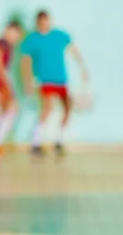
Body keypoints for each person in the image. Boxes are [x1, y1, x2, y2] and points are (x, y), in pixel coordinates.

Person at [20, 10, 88, 157]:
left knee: (67, 107)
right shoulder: (32, 39)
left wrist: (83, 68)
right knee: (47, 108)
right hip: (44, 79)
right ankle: (35, 142)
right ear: (37, 23)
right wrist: (27, 81)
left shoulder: (59, 36)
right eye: (41, 22)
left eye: (46, 21)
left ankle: (59, 140)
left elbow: (74, 50)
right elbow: (25, 61)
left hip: (61, 79)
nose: (44, 24)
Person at [0, 20, 23, 157]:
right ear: (8, 30)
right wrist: (4, 86)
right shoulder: (1, 44)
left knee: (0, 113)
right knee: (9, 110)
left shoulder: (5, 45)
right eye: (15, 33)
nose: (16, 37)